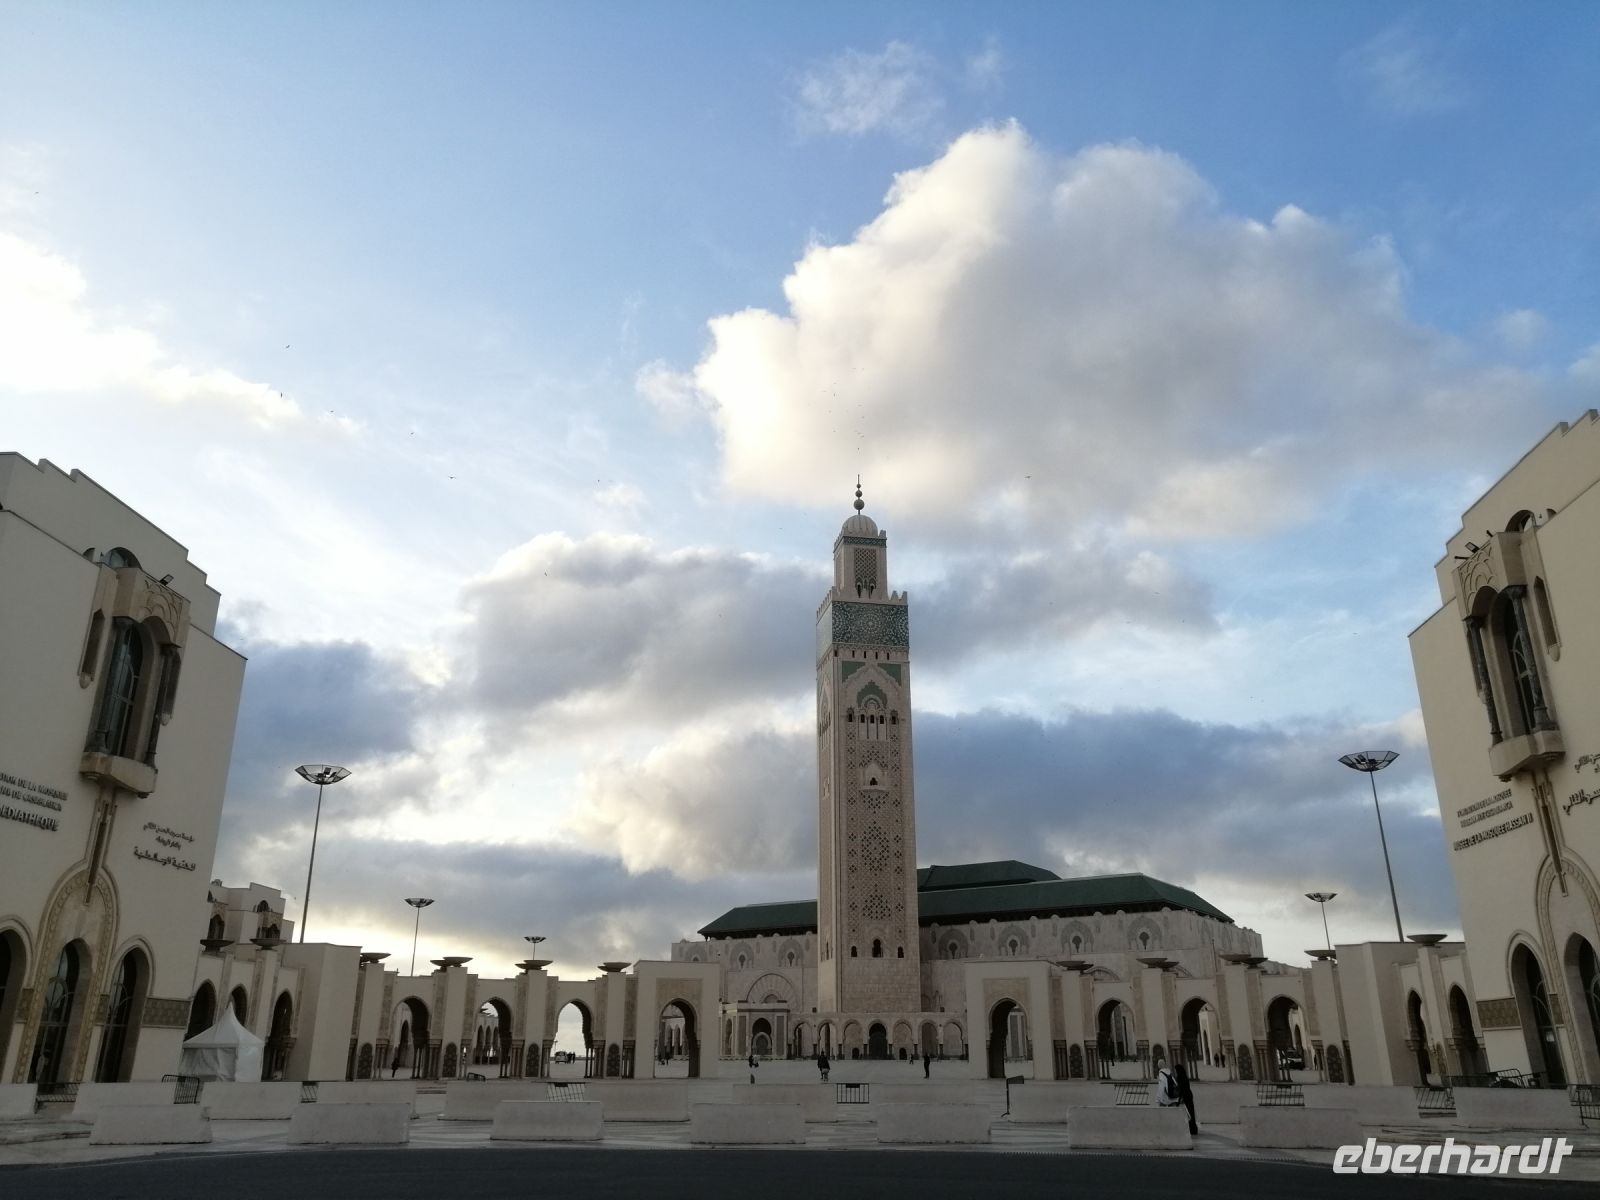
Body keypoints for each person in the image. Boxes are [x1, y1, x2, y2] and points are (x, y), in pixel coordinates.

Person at [1173, 1062, 1198, 1135]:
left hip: (1186, 1097)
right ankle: (1194, 1129)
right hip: (1189, 1095)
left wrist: (1178, 1100)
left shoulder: (1179, 1077)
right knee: (1191, 1113)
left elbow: (1181, 1089)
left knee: (1188, 1114)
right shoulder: (1184, 1076)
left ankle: (1191, 1129)